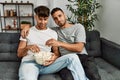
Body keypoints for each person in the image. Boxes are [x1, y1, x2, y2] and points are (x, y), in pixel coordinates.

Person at [21, 7, 101, 80]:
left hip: (82, 57)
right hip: (39, 62)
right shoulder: (52, 31)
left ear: (64, 15)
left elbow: (79, 48)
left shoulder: (77, 27)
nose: (58, 19)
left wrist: (58, 48)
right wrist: (26, 26)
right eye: (55, 18)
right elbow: (39, 28)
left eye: (60, 16)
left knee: (94, 77)